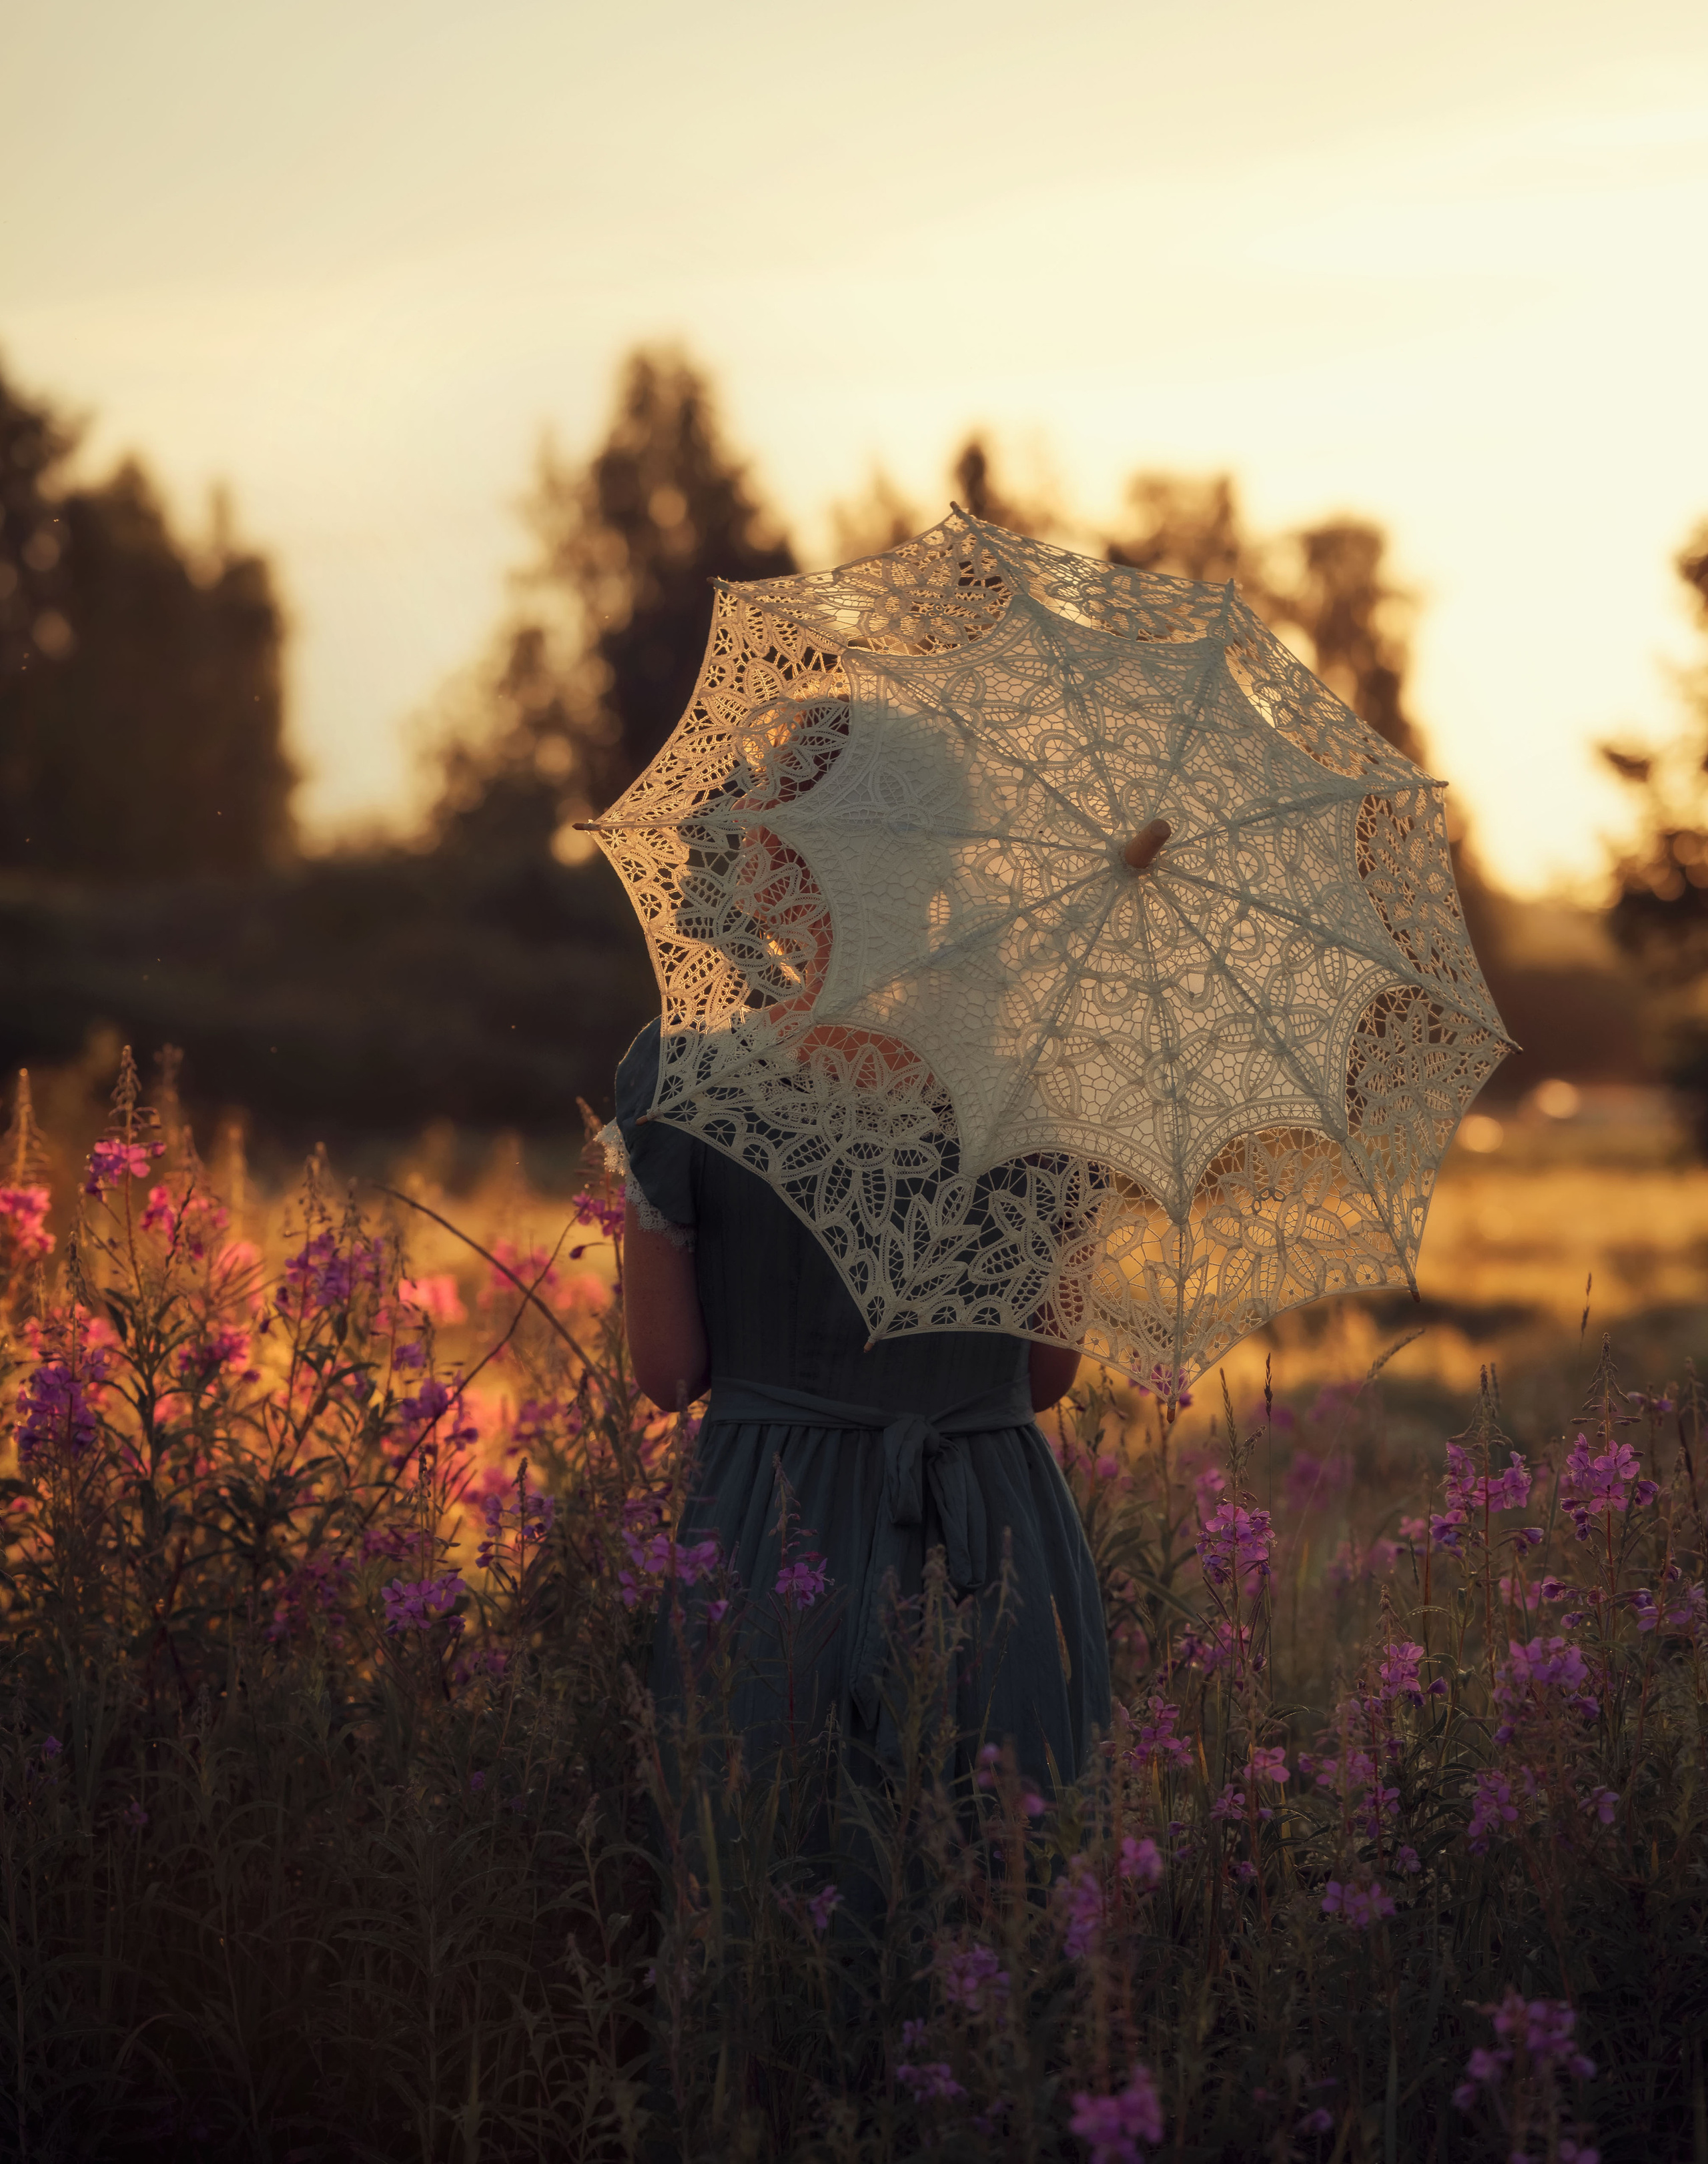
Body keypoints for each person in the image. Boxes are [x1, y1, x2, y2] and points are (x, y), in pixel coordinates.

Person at [607, 1011, 1112, 1852]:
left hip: (774, 1524)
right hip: (992, 1533)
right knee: (1001, 1890)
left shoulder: (690, 1068)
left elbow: (668, 1372)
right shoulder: (1052, 1072)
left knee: (771, 1875)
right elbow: (1044, 1376)